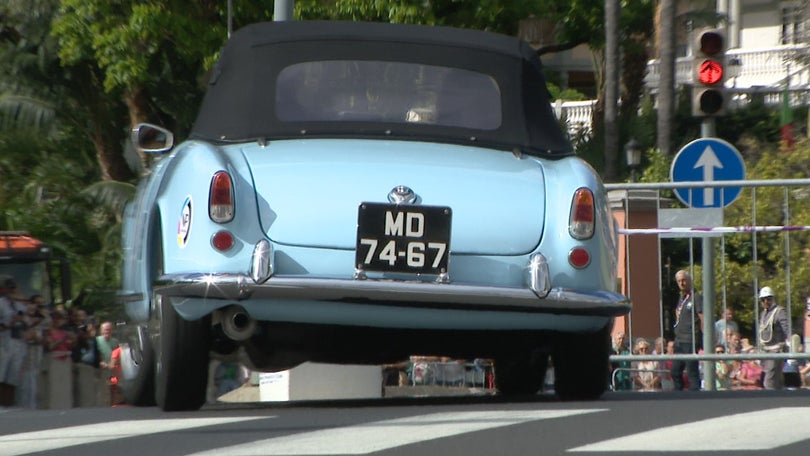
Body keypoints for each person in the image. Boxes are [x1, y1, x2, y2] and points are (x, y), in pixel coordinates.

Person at [670, 270, 703, 391]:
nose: (681, 283)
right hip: (679, 340)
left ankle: (695, 397)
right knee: (675, 371)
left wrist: (702, 337)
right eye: (679, 281)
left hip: (690, 339)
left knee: (692, 372)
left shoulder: (696, 297)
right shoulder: (682, 298)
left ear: (689, 280)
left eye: (683, 280)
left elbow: (702, 317)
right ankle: (678, 396)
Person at [0, 277, 30, 406]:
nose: (12, 291)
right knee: (1, 372)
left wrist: (22, 320)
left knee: (13, 374)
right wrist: (11, 322)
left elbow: (28, 323)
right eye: (9, 288)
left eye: (14, 288)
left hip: (17, 341)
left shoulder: (20, 306)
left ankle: (9, 403)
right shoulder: (1, 303)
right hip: (3, 341)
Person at [757, 286, 790, 389]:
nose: (766, 301)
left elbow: (787, 329)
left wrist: (792, 341)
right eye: (763, 299)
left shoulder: (779, 311)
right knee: (776, 379)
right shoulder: (763, 314)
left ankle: (768, 400)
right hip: (765, 350)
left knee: (769, 380)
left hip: (776, 350)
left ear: (773, 299)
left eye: (769, 298)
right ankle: (781, 398)